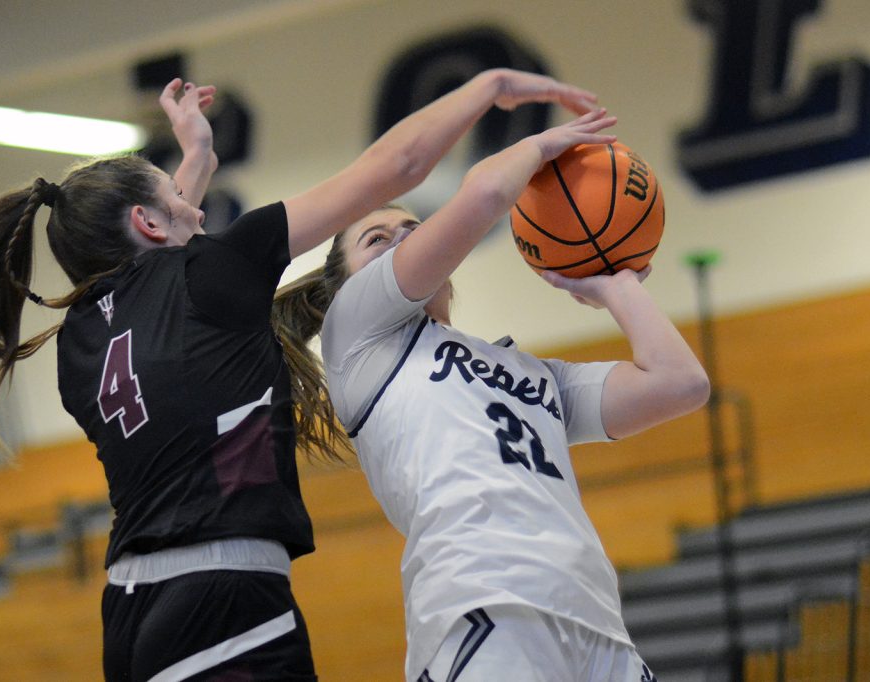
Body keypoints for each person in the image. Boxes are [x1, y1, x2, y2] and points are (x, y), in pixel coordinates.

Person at [0, 70, 604, 681]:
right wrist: (489, 89)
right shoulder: (214, 272)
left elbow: (157, 258)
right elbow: (400, 164)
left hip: (131, 613)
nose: (194, 205)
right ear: (148, 222)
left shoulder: (79, 344)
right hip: (221, 599)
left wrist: (196, 155)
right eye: (177, 196)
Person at [272, 109, 710, 680]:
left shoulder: (533, 374)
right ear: (345, 287)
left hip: (597, 623)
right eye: (376, 239)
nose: (405, 239)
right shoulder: (356, 336)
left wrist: (616, 284)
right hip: (482, 603)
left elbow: (681, 384)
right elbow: (483, 195)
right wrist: (540, 145)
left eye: (413, 229)